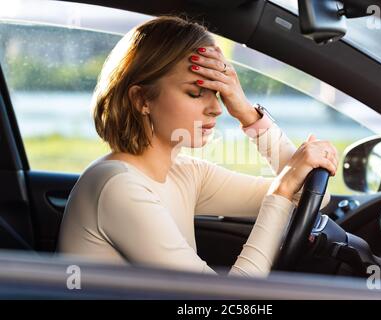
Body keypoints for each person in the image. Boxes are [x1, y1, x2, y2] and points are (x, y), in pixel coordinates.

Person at [57, 15, 338, 277]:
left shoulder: (186, 173)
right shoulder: (117, 186)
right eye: (195, 93)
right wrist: (282, 187)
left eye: (218, 93)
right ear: (142, 99)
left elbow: (313, 197)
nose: (217, 108)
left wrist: (247, 114)